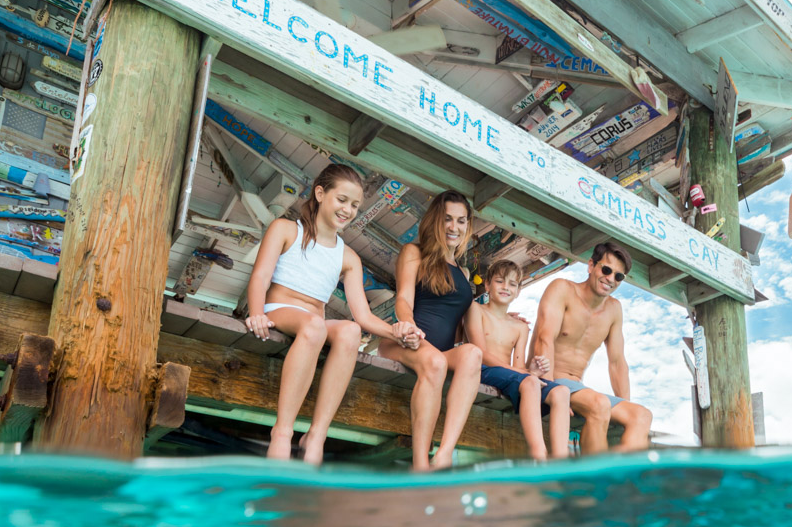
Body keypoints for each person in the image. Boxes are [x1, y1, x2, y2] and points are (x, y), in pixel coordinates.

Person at [243, 163, 422, 463]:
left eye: (354, 205)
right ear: (320, 193)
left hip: (314, 324)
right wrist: (257, 312)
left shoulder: (349, 257)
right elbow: (260, 276)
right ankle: (283, 432)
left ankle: (317, 435)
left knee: (351, 331)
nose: (348, 210)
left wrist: (397, 331)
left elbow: (363, 317)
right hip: (279, 310)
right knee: (315, 326)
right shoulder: (286, 229)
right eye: (342, 200)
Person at [377, 190, 484, 471]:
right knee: (435, 362)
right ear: (436, 220)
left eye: (461, 221)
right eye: (448, 219)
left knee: (472, 354)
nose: (454, 227)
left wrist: (507, 318)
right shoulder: (414, 252)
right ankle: (420, 465)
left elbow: (464, 329)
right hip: (404, 342)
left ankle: (445, 454)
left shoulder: (462, 273)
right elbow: (403, 299)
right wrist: (407, 326)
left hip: (440, 352)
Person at [528, 243, 654, 453]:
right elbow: (544, 339)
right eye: (606, 270)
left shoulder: (614, 309)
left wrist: (624, 407)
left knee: (641, 415)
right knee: (600, 404)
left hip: (580, 389)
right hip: (549, 380)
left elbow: (617, 363)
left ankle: (616, 475)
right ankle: (595, 479)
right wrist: (552, 391)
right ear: (591, 266)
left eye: (618, 276)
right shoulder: (562, 289)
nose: (610, 279)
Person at [466, 259, 572, 460]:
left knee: (561, 391)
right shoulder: (475, 310)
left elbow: (519, 366)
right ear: (487, 285)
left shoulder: (521, 326)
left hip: (511, 376)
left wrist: (531, 371)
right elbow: (478, 351)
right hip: (482, 369)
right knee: (530, 381)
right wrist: (525, 375)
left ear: (518, 291)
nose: (506, 287)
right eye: (499, 281)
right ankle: (538, 454)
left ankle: (561, 460)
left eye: (512, 284)